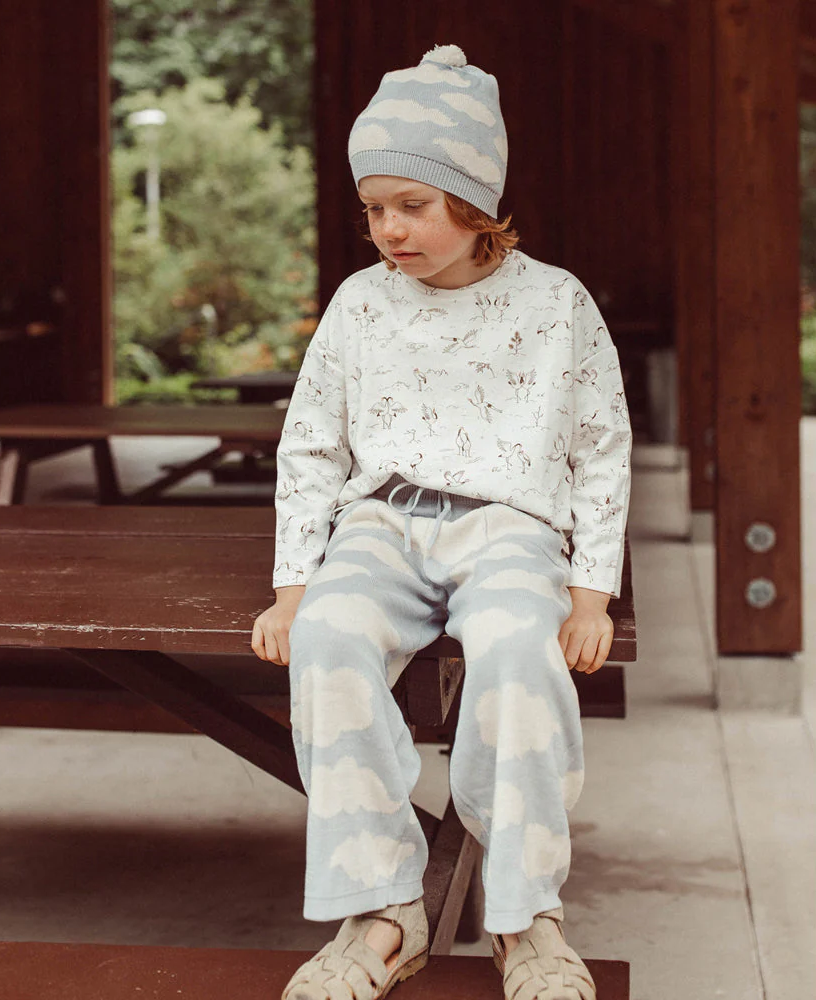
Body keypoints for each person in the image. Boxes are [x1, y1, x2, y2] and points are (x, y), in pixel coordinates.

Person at [251, 43, 632, 1000]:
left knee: (517, 653)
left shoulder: (556, 304)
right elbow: (311, 445)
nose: (389, 229)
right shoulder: (360, 304)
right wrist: (295, 588)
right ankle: (384, 910)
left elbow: (601, 447)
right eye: (373, 208)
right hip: (380, 526)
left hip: (509, 529)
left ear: (473, 200)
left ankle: (526, 918)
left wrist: (590, 591)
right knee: (329, 640)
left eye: (412, 204)